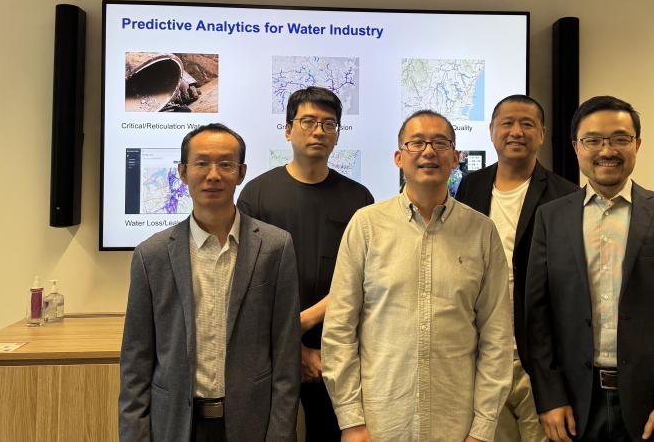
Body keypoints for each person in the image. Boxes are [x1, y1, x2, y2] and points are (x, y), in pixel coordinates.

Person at [523, 96, 654, 442]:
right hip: (575, 410)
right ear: (576, 147)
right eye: (592, 140)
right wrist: (549, 398)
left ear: (637, 143)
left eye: (620, 138)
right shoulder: (551, 218)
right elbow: (537, 317)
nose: (606, 150)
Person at [322, 109, 513, 442]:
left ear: (455, 158)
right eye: (417, 143)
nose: (429, 151)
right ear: (399, 157)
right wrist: (351, 421)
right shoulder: (366, 226)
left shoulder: (482, 232)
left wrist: (483, 429)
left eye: (440, 143)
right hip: (381, 423)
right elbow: (339, 330)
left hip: (457, 424)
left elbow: (496, 338)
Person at [119, 123, 301, 442]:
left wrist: (280, 433)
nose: (213, 174)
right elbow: (136, 362)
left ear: (241, 172)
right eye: (202, 163)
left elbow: (286, 358)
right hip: (176, 425)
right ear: (183, 171)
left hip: (251, 424)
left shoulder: (275, 247)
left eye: (226, 164)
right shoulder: (152, 255)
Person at [238, 87, 374, 441]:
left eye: (329, 124)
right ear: (287, 129)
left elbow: (361, 279)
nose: (319, 131)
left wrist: (309, 330)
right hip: (269, 347)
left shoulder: (360, 199)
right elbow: (247, 281)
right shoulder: (257, 194)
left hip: (338, 350)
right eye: (309, 121)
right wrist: (293, 347)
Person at [456, 95, 579, 441]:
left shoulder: (565, 196)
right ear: (492, 131)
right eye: (507, 123)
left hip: (538, 359)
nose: (516, 131)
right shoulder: (470, 185)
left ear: (542, 133)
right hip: (484, 354)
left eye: (527, 123)